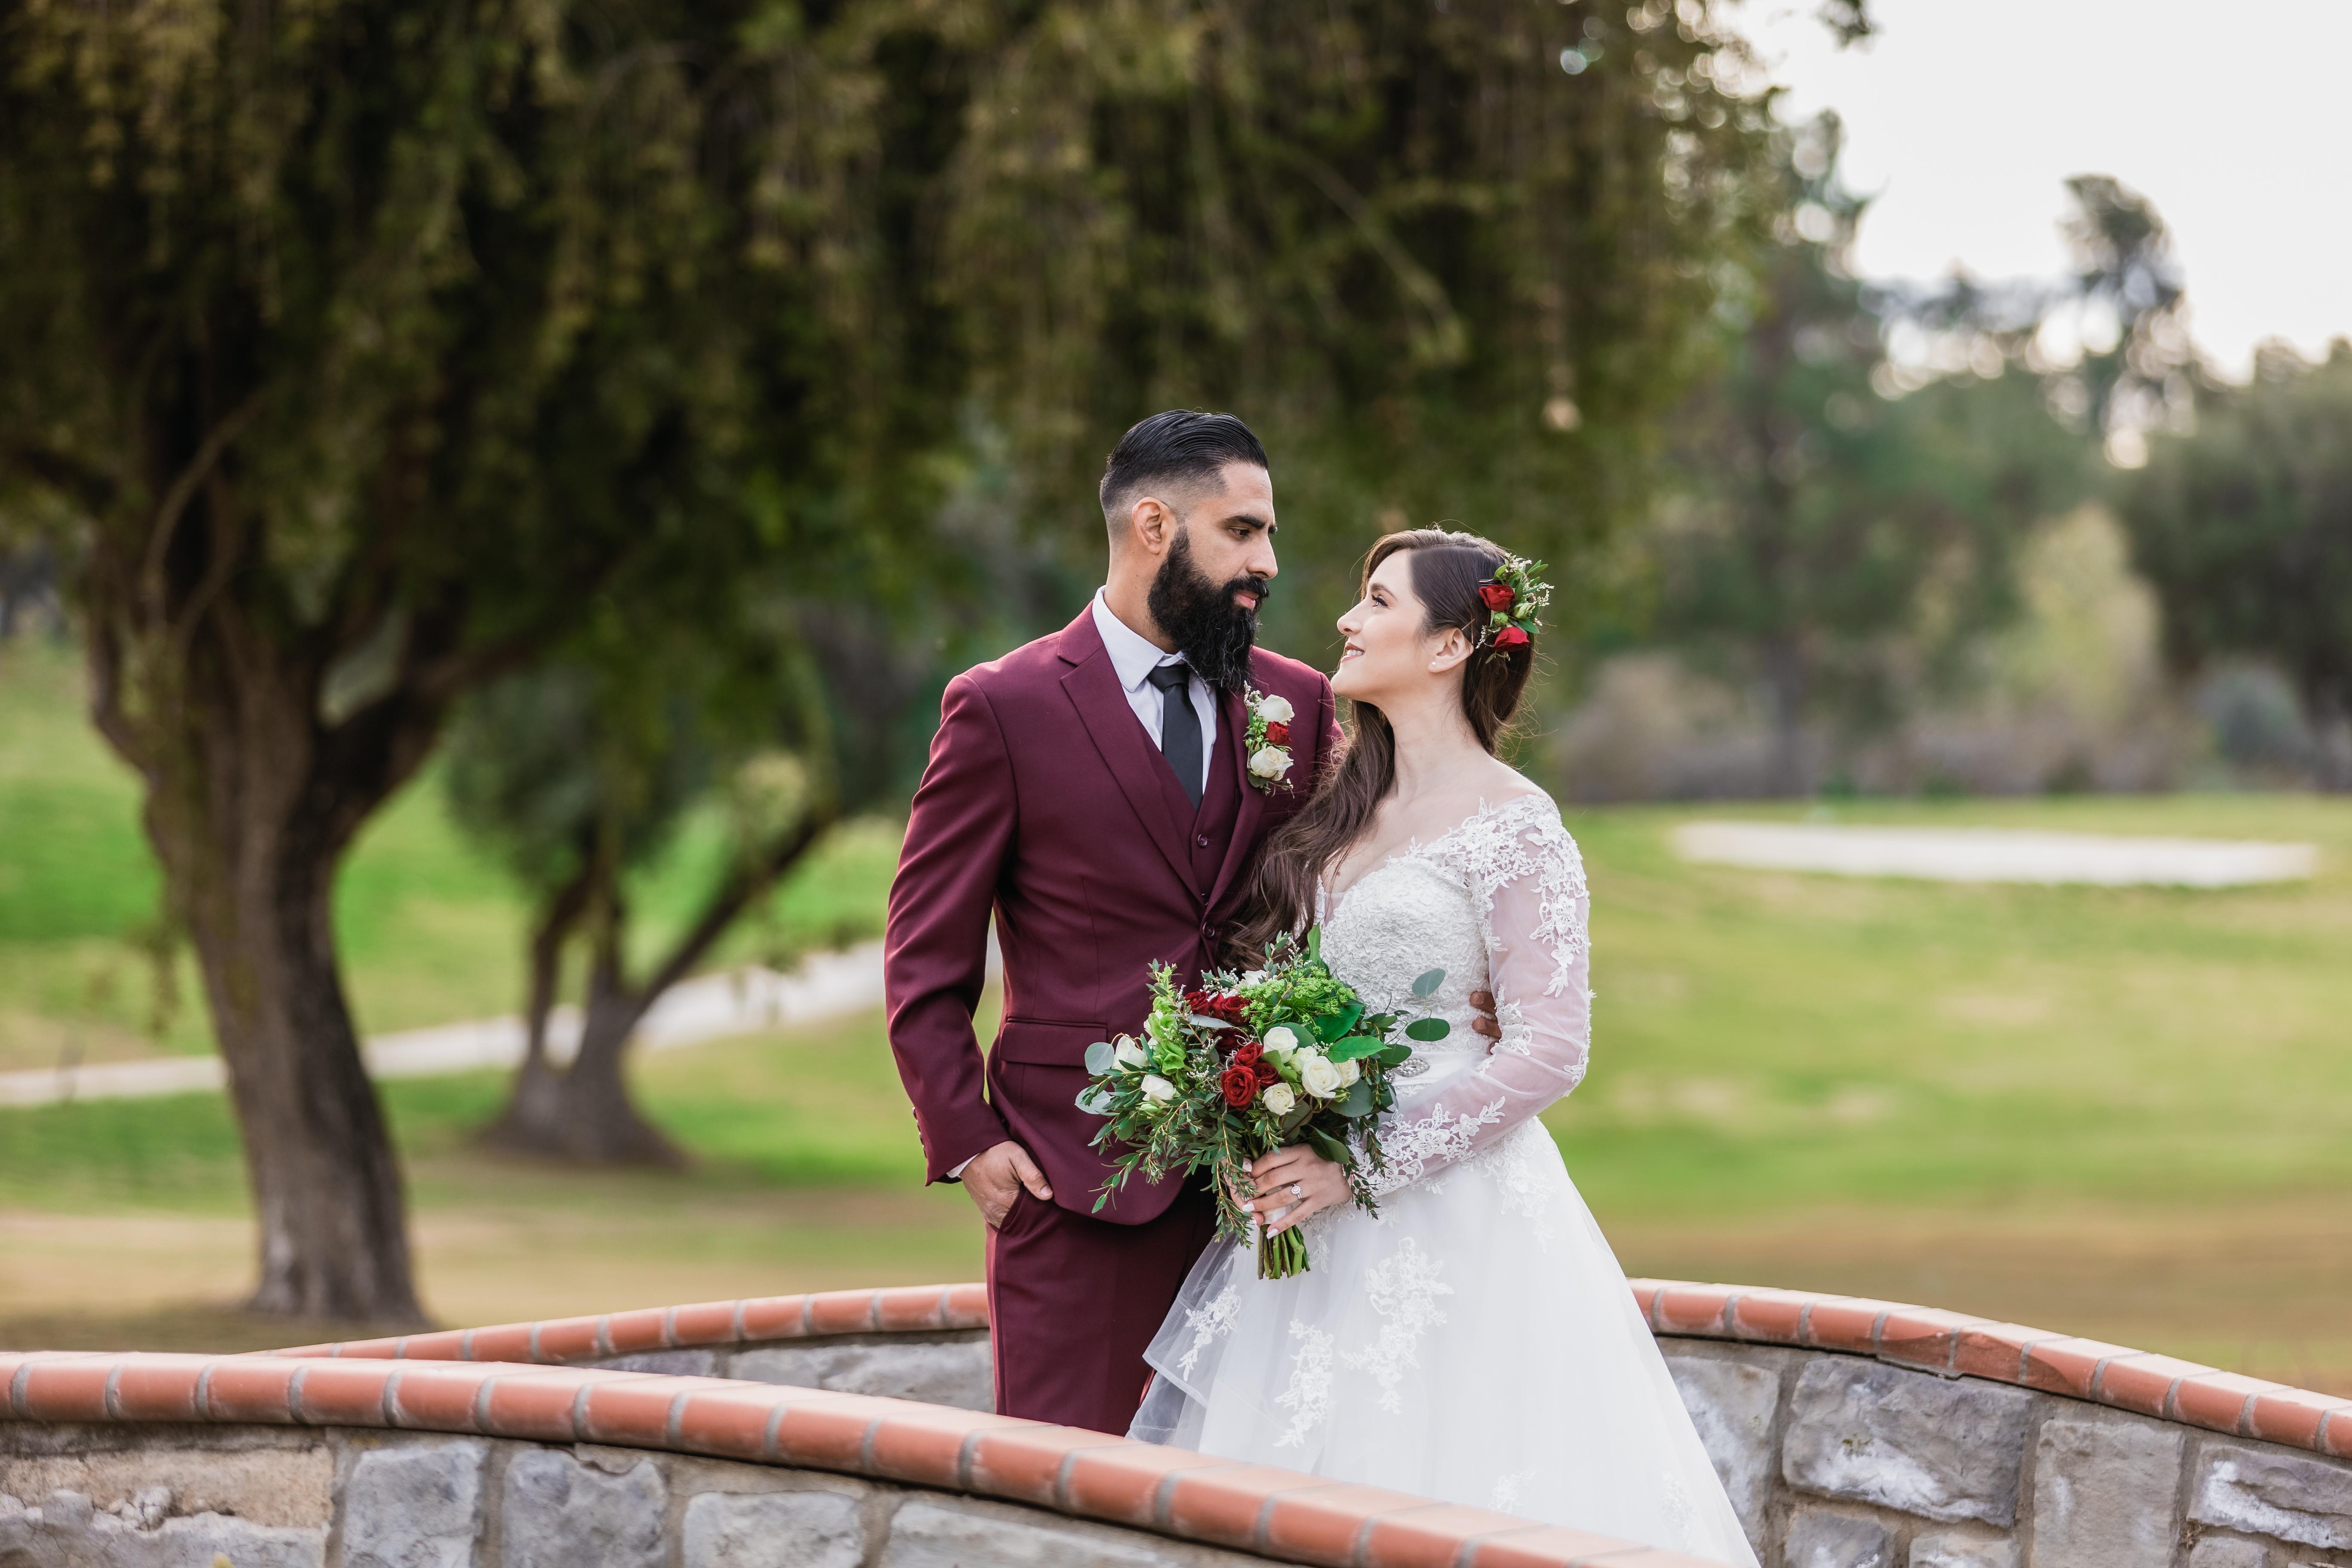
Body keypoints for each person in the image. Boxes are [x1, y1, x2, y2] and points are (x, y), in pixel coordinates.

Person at [1128, 529, 1761, 1566]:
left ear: (1451, 644)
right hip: (1305, 1232)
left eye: (1378, 601)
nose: (1347, 620)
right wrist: (1262, 1117)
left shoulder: (1516, 824)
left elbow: (1550, 1049)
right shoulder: (1340, 811)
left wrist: (1357, 1165)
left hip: (1451, 1218)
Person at [882, 410, 1342, 1433]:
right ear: (1153, 526)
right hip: (1074, 1183)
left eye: (1269, 534)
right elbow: (925, 957)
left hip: (1262, 1195)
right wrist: (968, 1141)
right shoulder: (1003, 706)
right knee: (1068, 1483)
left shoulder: (1298, 704)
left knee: (1247, 1485)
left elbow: (1339, 912)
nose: (1267, 563)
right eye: (1242, 531)